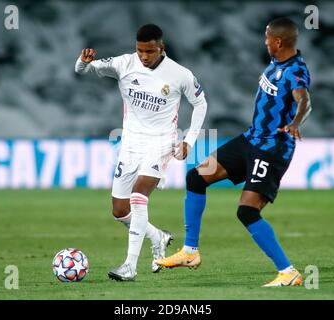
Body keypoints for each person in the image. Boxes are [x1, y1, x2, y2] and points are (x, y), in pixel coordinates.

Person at [156, 17, 312, 287]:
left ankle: (288, 272)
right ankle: (190, 252)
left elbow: (304, 100)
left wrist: (296, 122)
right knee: (196, 177)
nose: (264, 42)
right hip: (250, 139)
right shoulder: (277, 64)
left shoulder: (296, 71)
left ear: (277, 41)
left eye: (266, 38)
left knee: (247, 211)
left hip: (272, 149)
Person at [74, 24, 208, 281]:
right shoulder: (124, 63)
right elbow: (83, 70)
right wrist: (83, 60)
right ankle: (158, 237)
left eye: (149, 51)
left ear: (162, 48)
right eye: (140, 51)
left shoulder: (180, 74)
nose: (144, 57)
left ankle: (130, 266)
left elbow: (200, 103)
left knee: (138, 196)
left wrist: (189, 140)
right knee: (119, 210)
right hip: (130, 144)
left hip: (161, 143)